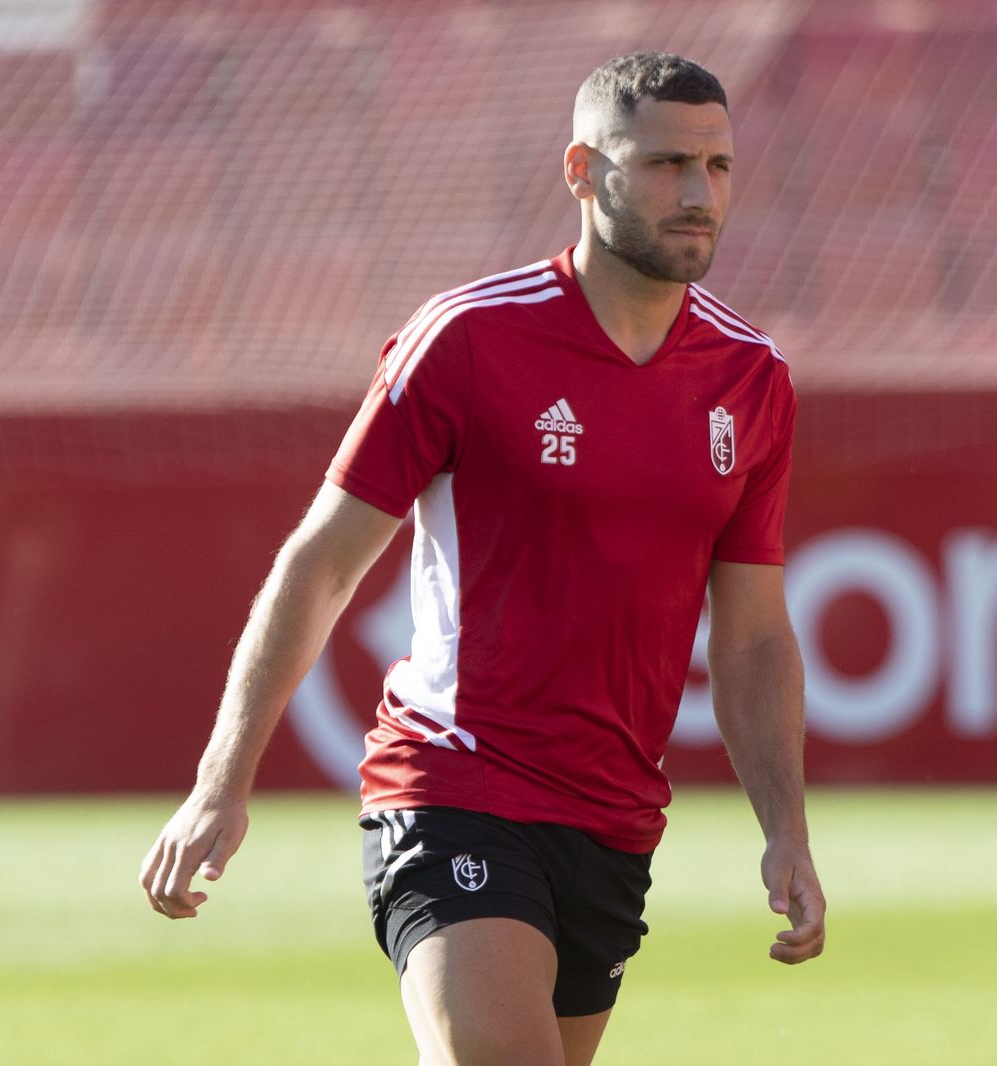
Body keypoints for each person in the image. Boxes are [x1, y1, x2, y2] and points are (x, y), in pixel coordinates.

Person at [140, 51, 825, 1065]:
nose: (698, 194)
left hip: (614, 821)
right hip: (454, 784)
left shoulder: (751, 377)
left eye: (718, 166)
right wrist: (219, 782)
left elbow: (755, 637)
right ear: (583, 170)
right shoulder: (467, 337)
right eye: (665, 164)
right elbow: (320, 564)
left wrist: (786, 830)